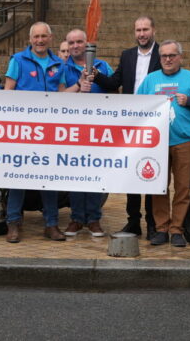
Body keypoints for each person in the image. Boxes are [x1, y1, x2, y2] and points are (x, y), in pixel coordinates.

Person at [137, 41, 190, 247]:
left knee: (182, 187)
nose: (168, 59)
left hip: (184, 141)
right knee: (158, 187)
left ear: (180, 57)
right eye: (164, 56)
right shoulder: (150, 80)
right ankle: (161, 228)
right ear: (159, 58)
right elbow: (137, 106)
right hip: (156, 143)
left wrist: (189, 101)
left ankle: (177, 229)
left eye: (172, 55)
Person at [93, 16, 160, 237]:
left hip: (155, 123)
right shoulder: (127, 55)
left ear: (153, 30)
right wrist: (96, 76)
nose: (142, 34)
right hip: (132, 123)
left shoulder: (163, 54)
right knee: (132, 173)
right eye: (138, 30)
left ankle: (152, 222)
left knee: (151, 173)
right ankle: (134, 221)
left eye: (145, 29)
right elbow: (115, 82)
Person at [3, 22, 65, 243]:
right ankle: (13, 223)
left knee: (49, 178)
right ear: (30, 39)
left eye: (44, 36)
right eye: (36, 36)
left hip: (50, 131)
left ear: (51, 38)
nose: (40, 40)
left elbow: (62, 94)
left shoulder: (59, 63)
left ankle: (51, 224)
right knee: (18, 177)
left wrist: (80, 86)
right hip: (23, 130)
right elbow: (7, 91)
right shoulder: (18, 60)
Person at [57, 28, 114, 238]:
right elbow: (59, 95)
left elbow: (113, 90)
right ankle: (76, 218)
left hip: (98, 129)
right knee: (75, 175)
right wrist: (79, 85)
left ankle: (94, 219)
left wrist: (97, 79)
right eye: (70, 43)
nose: (74, 46)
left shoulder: (103, 66)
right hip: (72, 130)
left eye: (79, 42)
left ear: (86, 43)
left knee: (95, 174)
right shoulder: (62, 68)